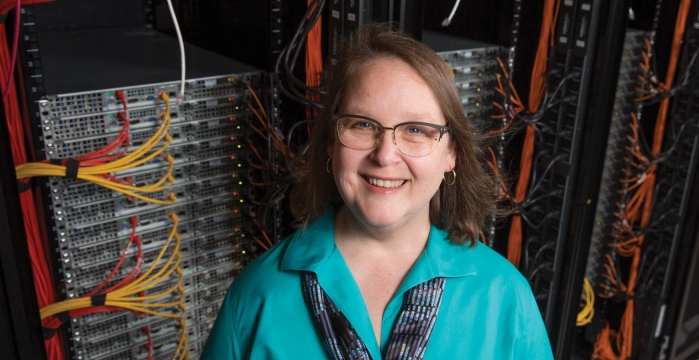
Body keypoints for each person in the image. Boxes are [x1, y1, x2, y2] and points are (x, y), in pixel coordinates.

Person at [201, 22, 553, 360]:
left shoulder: (507, 298)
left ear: (451, 153)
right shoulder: (255, 296)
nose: (384, 155)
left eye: (415, 130)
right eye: (363, 125)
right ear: (330, 141)